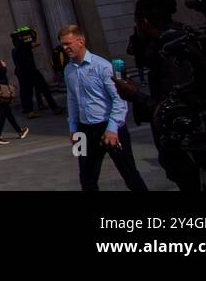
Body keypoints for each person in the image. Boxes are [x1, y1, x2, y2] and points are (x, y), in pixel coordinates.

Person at [116, 0, 201, 191]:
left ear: (144, 22)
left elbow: (176, 110)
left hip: (186, 147)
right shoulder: (177, 41)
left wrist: (134, 95)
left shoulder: (171, 50)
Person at [59, 25, 148, 191]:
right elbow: (72, 100)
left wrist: (113, 128)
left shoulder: (104, 66)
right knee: (86, 177)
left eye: (68, 43)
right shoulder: (68, 70)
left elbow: (119, 99)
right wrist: (73, 128)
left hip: (109, 127)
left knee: (129, 173)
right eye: (63, 45)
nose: (65, 48)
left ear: (81, 41)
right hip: (83, 130)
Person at [11, 30, 61, 118]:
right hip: (31, 71)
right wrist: (37, 32)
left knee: (28, 92)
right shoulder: (24, 45)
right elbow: (37, 43)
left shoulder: (14, 50)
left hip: (22, 73)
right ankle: (55, 108)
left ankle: (30, 111)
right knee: (45, 89)